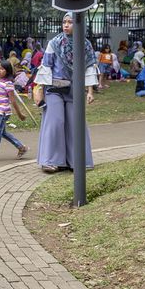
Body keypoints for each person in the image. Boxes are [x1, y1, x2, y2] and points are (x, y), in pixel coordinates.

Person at [34, 12, 97, 173]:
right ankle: (51, 160)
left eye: (70, 22)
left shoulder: (85, 44)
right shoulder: (54, 43)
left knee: (75, 123)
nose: (66, 25)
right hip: (54, 89)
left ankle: (76, 161)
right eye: (64, 22)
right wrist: (40, 88)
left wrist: (90, 91)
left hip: (74, 89)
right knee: (55, 122)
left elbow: (89, 68)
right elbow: (46, 65)